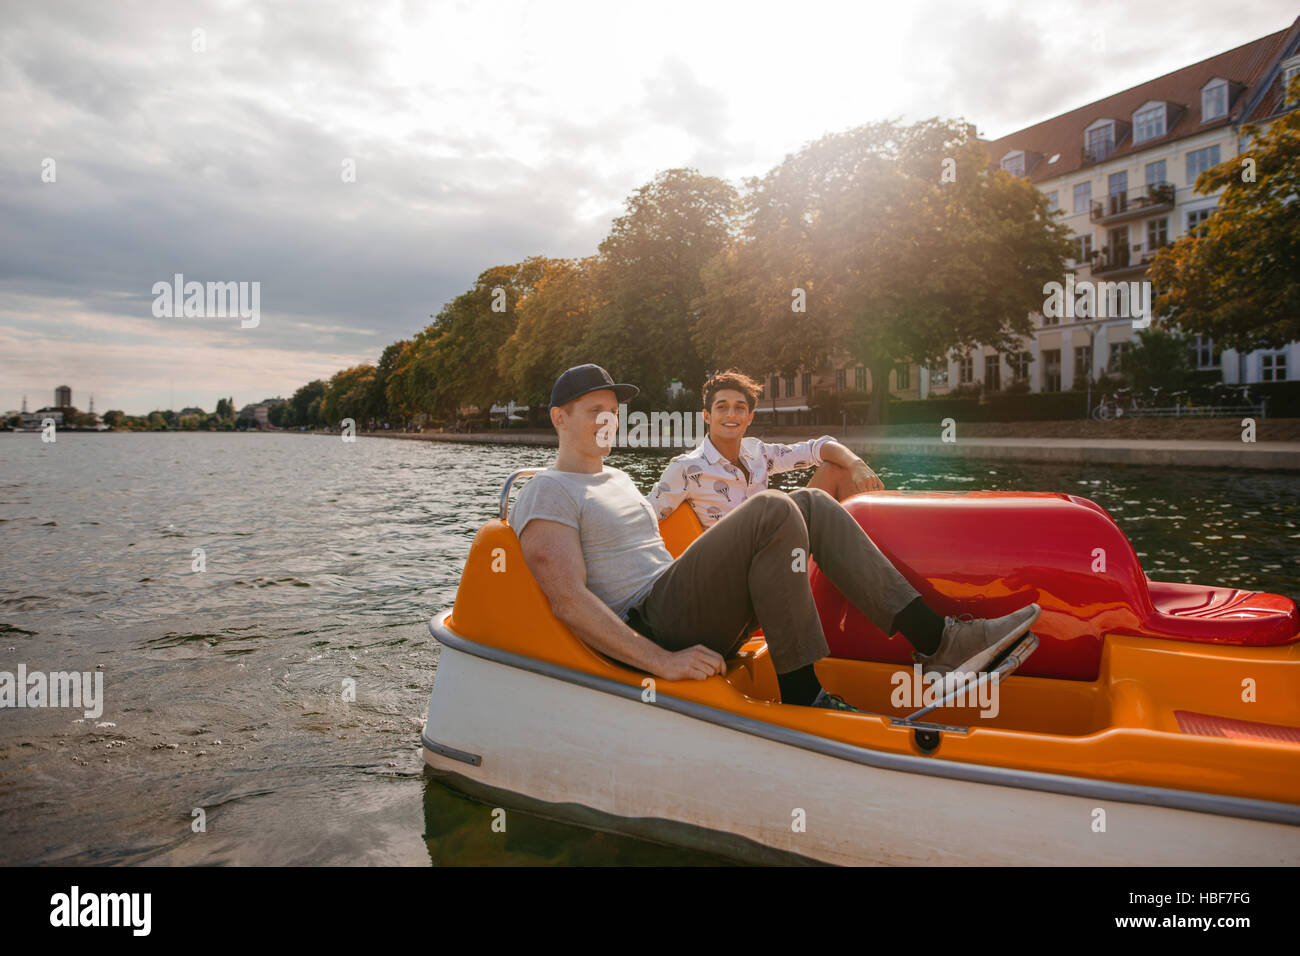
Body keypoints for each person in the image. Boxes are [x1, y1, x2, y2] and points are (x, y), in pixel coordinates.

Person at [511, 364, 1040, 711]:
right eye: (592, 412)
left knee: (807, 502)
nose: (608, 420)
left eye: (612, 411)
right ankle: (805, 695)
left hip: (676, 602)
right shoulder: (547, 491)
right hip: (650, 626)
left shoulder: (619, 479)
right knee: (770, 507)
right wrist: (661, 662)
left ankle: (937, 640)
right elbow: (568, 601)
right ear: (559, 418)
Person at [647, 368, 881, 528]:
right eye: (722, 407)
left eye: (739, 408)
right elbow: (645, 516)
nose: (731, 414)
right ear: (707, 416)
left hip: (779, 542)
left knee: (836, 469)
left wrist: (856, 464)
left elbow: (816, 448)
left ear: (749, 418)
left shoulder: (759, 454)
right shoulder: (686, 468)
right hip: (732, 562)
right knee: (792, 502)